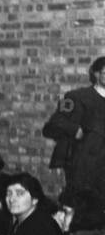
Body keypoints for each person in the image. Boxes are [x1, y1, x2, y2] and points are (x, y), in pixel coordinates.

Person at [43, 56, 105, 203]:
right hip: (84, 165)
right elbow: (56, 121)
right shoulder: (76, 97)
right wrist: (75, 130)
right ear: (96, 74)